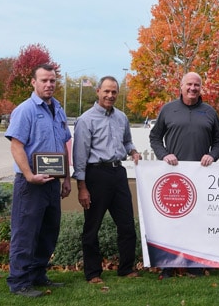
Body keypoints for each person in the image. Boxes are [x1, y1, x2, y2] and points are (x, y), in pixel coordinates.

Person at [149, 71, 219, 278]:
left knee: (198, 220)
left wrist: (212, 155)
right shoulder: (168, 110)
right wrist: (164, 154)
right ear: (181, 86)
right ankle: (168, 264)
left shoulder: (209, 112)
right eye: (189, 85)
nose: (192, 88)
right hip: (174, 176)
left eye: (197, 85)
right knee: (173, 219)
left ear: (201, 88)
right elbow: (155, 138)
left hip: (201, 175)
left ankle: (195, 264)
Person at [5, 64, 72, 298]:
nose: (49, 84)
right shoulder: (26, 110)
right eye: (44, 80)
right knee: (25, 232)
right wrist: (29, 175)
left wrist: (66, 178)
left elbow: (65, 143)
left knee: (48, 232)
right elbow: (16, 145)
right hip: (31, 184)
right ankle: (19, 282)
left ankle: (37, 274)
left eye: (52, 80)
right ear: (33, 82)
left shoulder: (59, 110)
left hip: (53, 183)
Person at [72, 76, 141, 284]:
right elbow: (80, 157)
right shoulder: (86, 120)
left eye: (114, 92)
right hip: (96, 176)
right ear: (98, 92)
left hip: (118, 174)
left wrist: (133, 151)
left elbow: (127, 140)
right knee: (92, 227)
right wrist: (82, 187)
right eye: (106, 91)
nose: (110, 95)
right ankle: (93, 273)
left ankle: (126, 268)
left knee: (127, 224)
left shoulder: (121, 117)